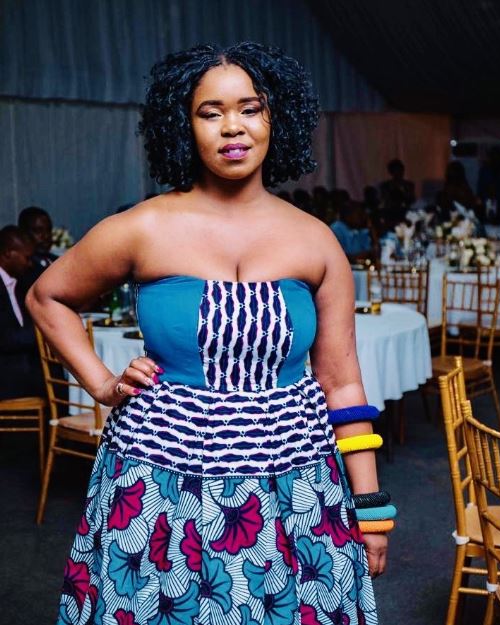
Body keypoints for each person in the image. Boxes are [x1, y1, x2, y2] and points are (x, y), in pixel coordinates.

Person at [27, 42, 390, 625]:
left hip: (292, 487)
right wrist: (101, 384)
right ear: (184, 125)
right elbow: (48, 296)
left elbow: (343, 383)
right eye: (210, 112)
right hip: (158, 482)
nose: (232, 127)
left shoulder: (316, 241)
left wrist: (370, 510)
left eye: (250, 108)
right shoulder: (144, 227)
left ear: (276, 118)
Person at [0, 226, 45, 399]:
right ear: (8, 253)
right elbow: (5, 338)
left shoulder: (20, 283)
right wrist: (43, 332)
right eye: (27, 258)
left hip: (21, 363)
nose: (30, 263)